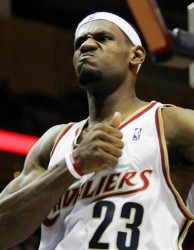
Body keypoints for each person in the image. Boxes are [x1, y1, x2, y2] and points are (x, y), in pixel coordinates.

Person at [0, 11, 194, 250]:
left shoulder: (168, 124)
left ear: (136, 55)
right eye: (79, 42)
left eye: (102, 38)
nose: (87, 45)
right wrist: (73, 166)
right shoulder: (53, 142)